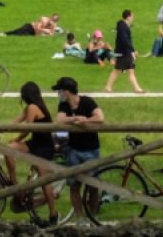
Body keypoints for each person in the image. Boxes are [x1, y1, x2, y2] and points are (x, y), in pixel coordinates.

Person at [6, 82, 59, 223]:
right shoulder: (30, 107)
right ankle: (14, 182)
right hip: (35, 143)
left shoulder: (33, 108)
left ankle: (53, 214)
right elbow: (14, 122)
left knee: (44, 181)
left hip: (44, 147)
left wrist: (17, 138)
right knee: (9, 149)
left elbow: (26, 129)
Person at [52, 77, 103, 219]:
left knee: (93, 186)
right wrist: (75, 119)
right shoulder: (63, 105)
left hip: (91, 150)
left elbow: (100, 117)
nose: (58, 94)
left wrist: (86, 120)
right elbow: (60, 119)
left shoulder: (88, 101)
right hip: (73, 150)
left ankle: (93, 216)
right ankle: (80, 218)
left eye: (60, 91)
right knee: (74, 186)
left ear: (66, 92)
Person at [104, 10, 144, 93]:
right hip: (123, 52)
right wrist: (133, 50)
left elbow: (126, 40)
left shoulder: (124, 26)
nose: (133, 18)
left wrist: (131, 51)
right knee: (118, 70)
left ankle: (137, 88)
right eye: (132, 16)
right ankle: (108, 87)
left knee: (129, 70)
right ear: (128, 16)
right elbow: (125, 40)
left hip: (126, 52)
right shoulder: (122, 26)